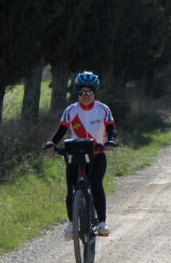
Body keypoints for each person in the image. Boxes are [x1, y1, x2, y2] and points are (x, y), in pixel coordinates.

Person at [45, 71, 117, 239]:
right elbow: (62, 129)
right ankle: (71, 223)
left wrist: (110, 141)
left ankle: (101, 223)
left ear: (94, 93)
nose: (85, 96)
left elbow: (112, 129)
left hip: (97, 154)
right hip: (75, 155)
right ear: (77, 93)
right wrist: (52, 143)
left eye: (89, 92)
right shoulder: (70, 110)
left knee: (96, 183)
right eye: (81, 93)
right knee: (71, 188)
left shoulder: (103, 109)